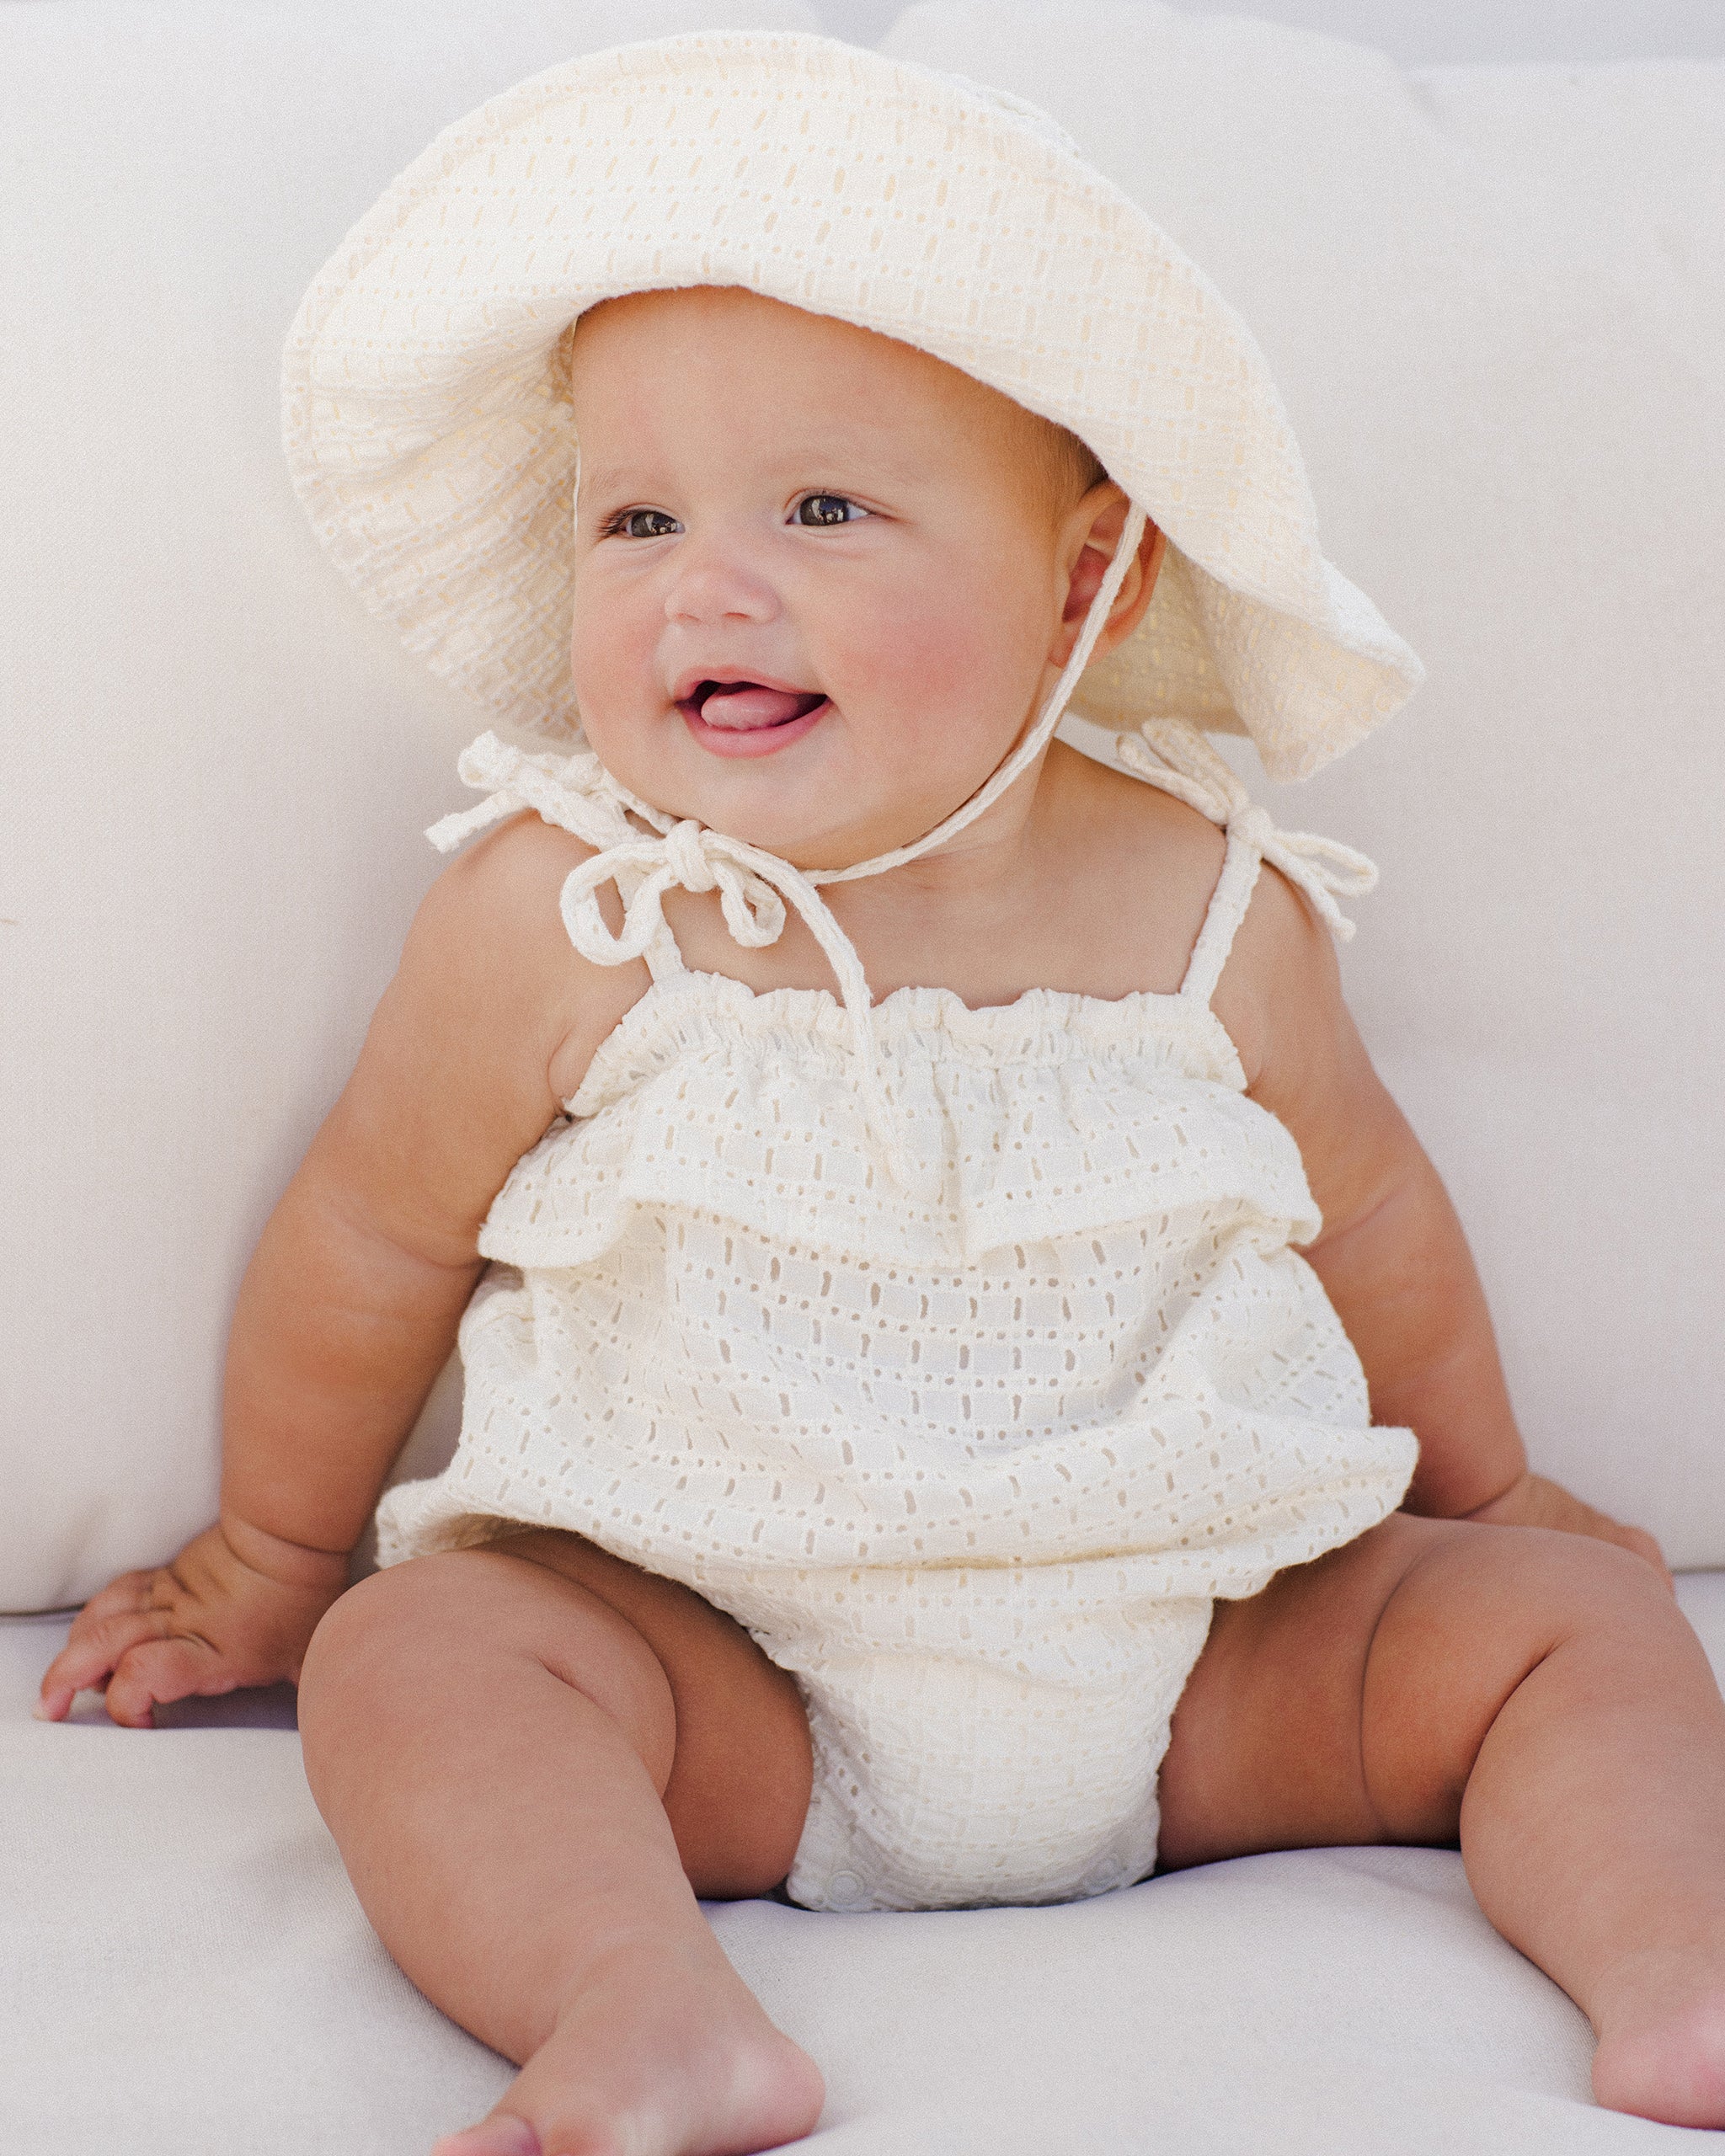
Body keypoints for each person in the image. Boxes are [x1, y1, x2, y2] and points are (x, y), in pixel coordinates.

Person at [36, 31, 1725, 2156]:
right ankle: (641, 2015)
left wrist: (1482, 1494)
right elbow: (374, 1230)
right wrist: (272, 1559)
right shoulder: (573, 911)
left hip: (1205, 1667)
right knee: (422, 1659)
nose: (703, 581)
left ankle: (1680, 1974)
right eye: (634, 516)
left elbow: (1369, 1215)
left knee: (1579, 1620)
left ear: (1083, 580)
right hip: (725, 1674)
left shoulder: (1214, 904)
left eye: (822, 508)